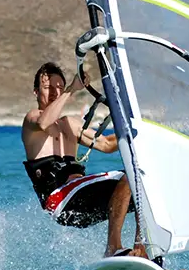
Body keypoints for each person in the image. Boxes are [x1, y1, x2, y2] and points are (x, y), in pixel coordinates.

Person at [21, 62, 145, 258]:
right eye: (47, 88)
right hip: (60, 200)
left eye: (59, 87)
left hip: (82, 200)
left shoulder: (69, 124)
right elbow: (44, 122)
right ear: (36, 92)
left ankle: (142, 249)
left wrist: (139, 131)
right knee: (129, 176)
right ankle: (113, 248)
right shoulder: (32, 119)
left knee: (142, 183)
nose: (54, 92)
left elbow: (106, 145)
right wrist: (70, 90)